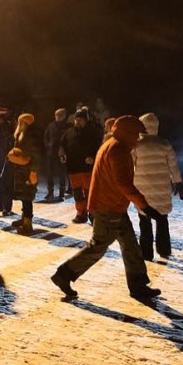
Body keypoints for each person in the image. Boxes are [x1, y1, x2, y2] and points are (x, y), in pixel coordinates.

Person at [50, 116, 163, 300]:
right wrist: (145, 207)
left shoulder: (112, 144)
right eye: (136, 134)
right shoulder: (118, 150)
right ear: (127, 133)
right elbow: (123, 184)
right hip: (109, 207)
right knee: (98, 247)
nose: (138, 139)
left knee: (130, 247)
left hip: (111, 206)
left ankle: (138, 285)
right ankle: (64, 275)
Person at [133, 112, 183, 260]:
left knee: (144, 221)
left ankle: (146, 252)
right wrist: (178, 183)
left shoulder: (136, 145)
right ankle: (164, 249)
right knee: (162, 220)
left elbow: (130, 166)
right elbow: (173, 166)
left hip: (142, 189)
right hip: (161, 189)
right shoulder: (164, 144)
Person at [60, 108, 103, 223]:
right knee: (77, 193)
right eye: (76, 119)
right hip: (73, 168)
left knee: (90, 193)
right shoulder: (68, 133)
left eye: (80, 120)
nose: (77, 122)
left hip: (87, 168)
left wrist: (93, 158)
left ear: (85, 120)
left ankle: (93, 214)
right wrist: (62, 154)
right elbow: (61, 145)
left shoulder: (93, 133)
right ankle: (81, 213)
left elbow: (99, 148)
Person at [6, 113, 41, 235]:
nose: (18, 124)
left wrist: (33, 171)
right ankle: (23, 218)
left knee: (27, 198)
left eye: (20, 122)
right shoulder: (21, 135)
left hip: (27, 171)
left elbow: (36, 156)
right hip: (21, 170)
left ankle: (28, 224)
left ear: (25, 123)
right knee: (23, 197)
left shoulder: (30, 137)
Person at [43, 108, 69, 201]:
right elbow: (45, 137)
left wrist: (64, 149)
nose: (57, 117)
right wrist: (48, 145)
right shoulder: (51, 125)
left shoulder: (66, 127)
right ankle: (50, 191)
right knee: (49, 173)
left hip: (61, 153)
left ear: (64, 116)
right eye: (56, 115)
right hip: (51, 152)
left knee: (62, 172)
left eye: (60, 115)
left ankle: (62, 192)